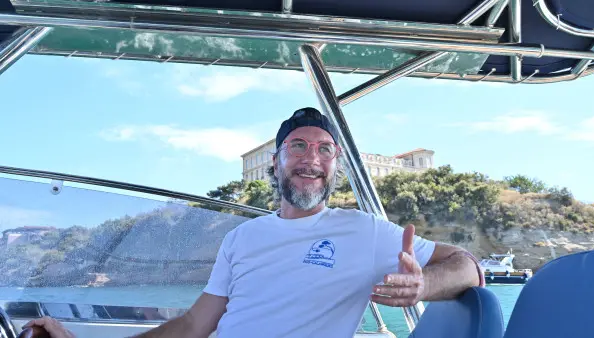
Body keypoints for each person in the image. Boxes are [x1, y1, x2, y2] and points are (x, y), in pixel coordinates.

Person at [131, 107, 485, 338]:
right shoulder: (241, 237)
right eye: (297, 146)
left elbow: (468, 268)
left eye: (325, 149)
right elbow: (195, 324)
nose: (311, 159)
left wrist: (423, 286)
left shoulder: (364, 231)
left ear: (336, 164)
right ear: (275, 161)